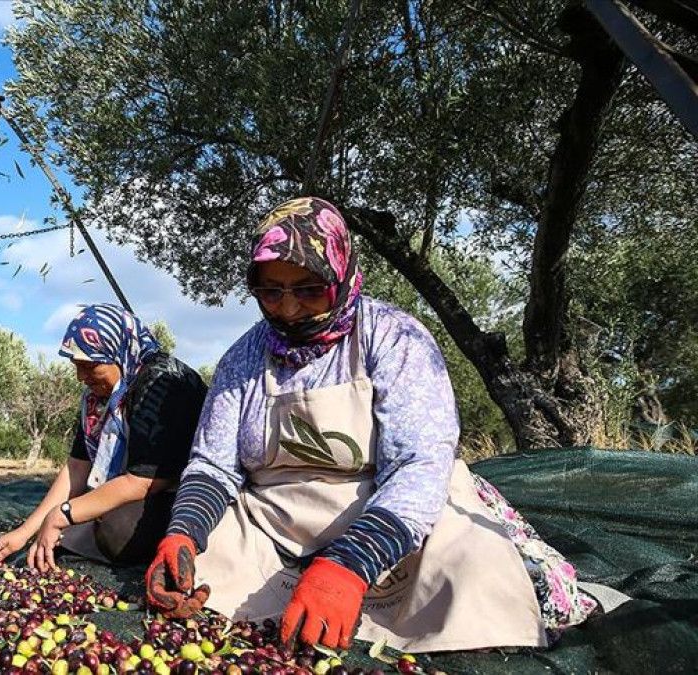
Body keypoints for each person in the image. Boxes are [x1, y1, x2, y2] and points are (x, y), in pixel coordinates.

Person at [144, 197, 597, 653]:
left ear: (340, 277)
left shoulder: (395, 338)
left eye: (308, 289)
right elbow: (212, 466)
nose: (288, 309)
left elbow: (419, 466)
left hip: (386, 515)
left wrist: (351, 562)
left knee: (475, 576)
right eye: (271, 291)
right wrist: (183, 532)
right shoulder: (243, 358)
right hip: (275, 520)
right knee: (199, 575)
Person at [0, 304, 208, 571]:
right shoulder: (99, 399)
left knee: (118, 532)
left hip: (185, 491)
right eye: (76, 366)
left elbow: (144, 481)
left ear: (117, 353)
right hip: (139, 484)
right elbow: (77, 467)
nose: (81, 377)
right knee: (93, 517)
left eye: (90, 366)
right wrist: (24, 532)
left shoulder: (161, 384)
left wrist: (62, 515)